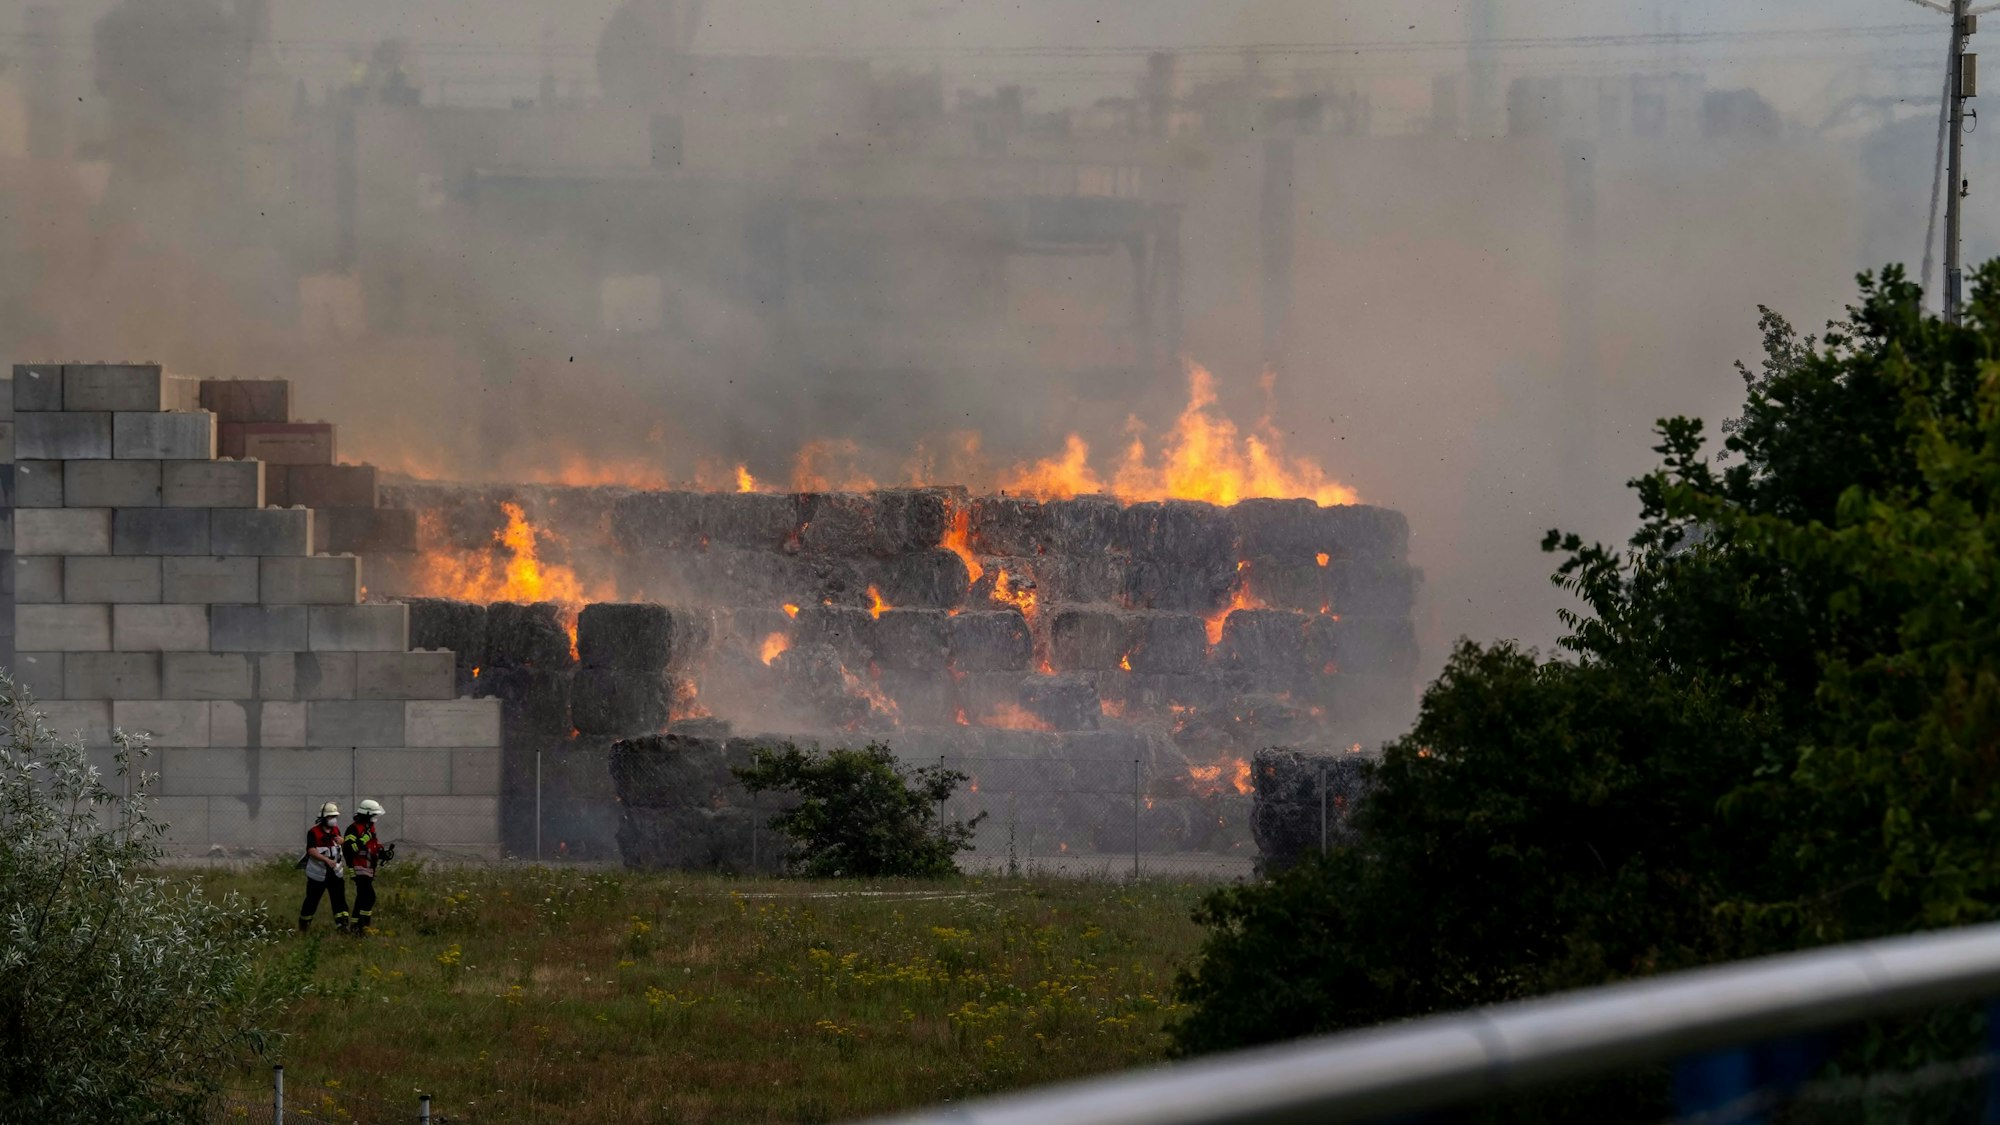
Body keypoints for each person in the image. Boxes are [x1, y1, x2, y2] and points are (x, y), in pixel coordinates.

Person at [342, 799, 395, 935]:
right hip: (359, 868)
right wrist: (364, 839)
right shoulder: (353, 828)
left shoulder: (369, 827)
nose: (375, 818)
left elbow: (373, 846)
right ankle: (363, 927)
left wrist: (383, 853)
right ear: (366, 814)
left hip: (369, 868)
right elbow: (348, 849)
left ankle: (355, 926)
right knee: (369, 896)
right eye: (373, 815)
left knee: (362, 897)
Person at [298, 802, 350, 933]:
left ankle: (342, 926)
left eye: (335, 816)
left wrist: (343, 842)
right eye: (331, 816)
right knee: (311, 901)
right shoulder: (313, 832)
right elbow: (311, 851)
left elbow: (340, 848)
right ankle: (304, 926)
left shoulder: (336, 830)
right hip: (318, 874)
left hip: (335, 873)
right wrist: (326, 860)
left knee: (339, 900)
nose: (334, 819)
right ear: (323, 818)